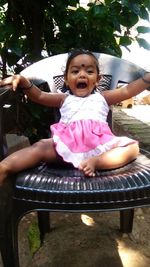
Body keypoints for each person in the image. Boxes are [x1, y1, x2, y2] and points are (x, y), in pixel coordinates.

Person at [0, 49, 150, 183]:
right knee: (40, 147)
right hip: (65, 147)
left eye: (90, 72)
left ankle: (96, 162)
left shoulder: (103, 97)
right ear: (66, 78)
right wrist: (22, 81)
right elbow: (39, 96)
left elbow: (128, 91)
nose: (82, 75)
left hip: (100, 147)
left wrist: (147, 79)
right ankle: (5, 167)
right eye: (75, 71)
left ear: (97, 79)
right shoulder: (63, 98)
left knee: (132, 148)